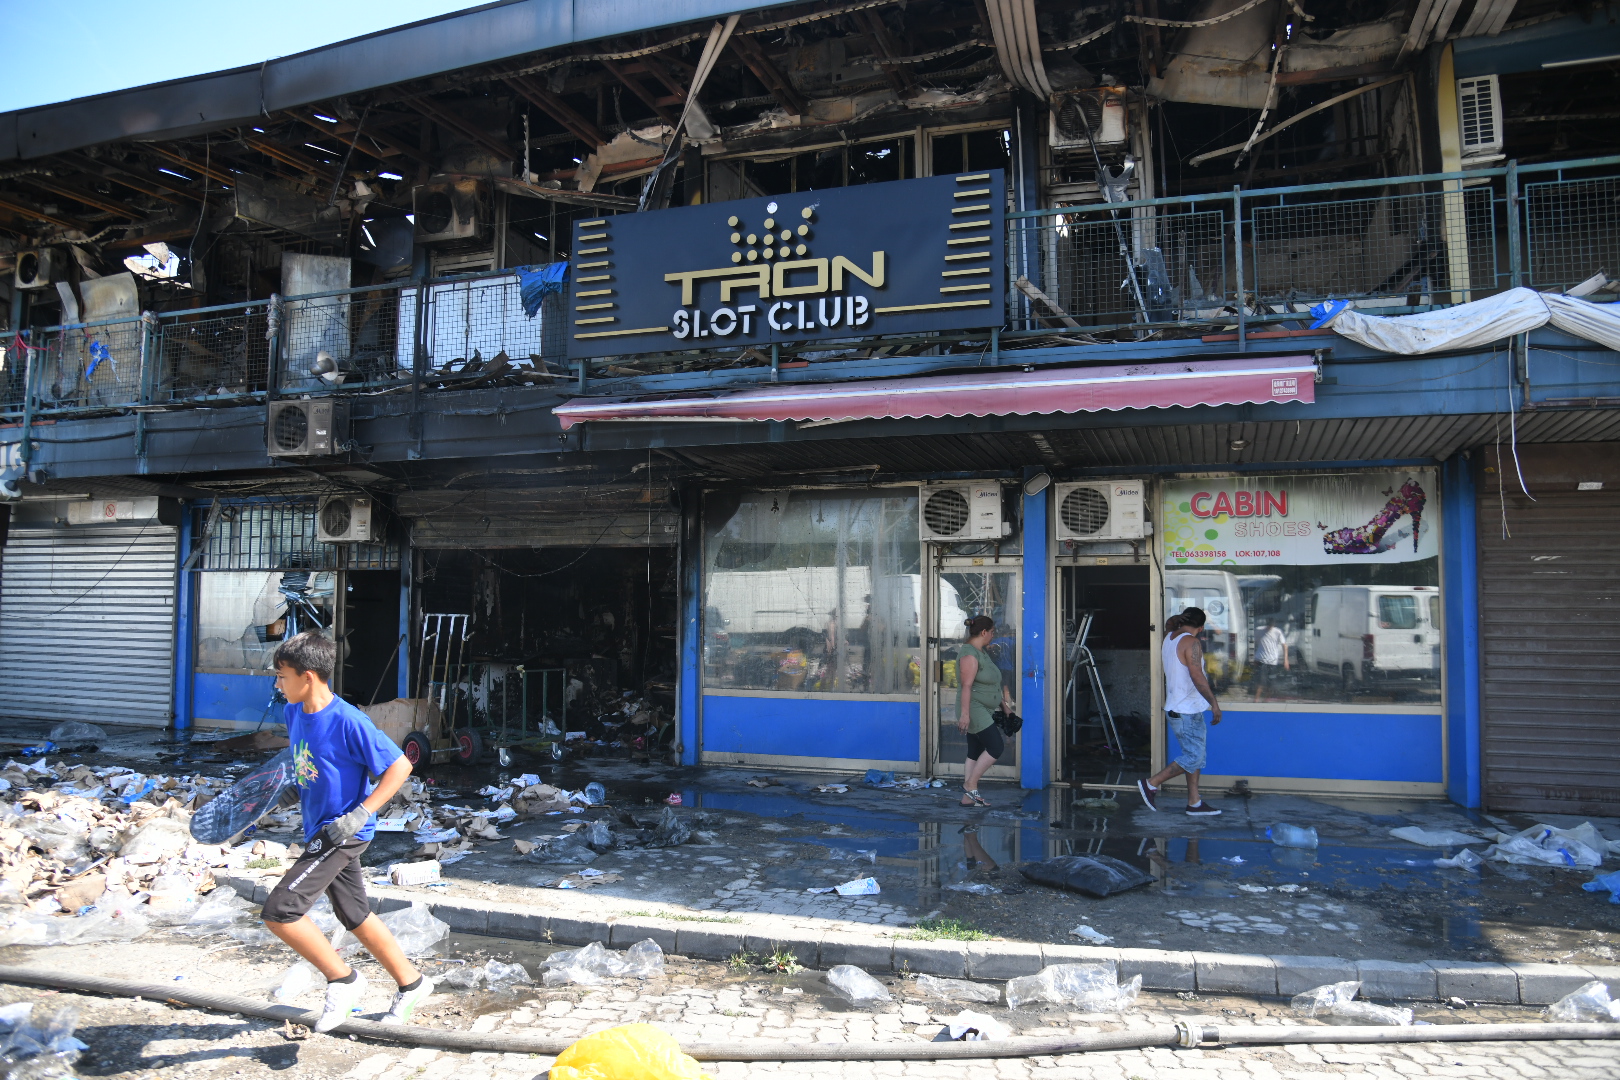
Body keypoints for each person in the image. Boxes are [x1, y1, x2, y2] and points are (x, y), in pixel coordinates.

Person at [261, 631, 435, 1031]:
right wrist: (294, 787)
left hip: (341, 832)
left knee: (281, 911)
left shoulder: (348, 720)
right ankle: (413, 984)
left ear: (308, 677)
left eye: (281, 675)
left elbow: (399, 767)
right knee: (355, 913)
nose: (277, 683)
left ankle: (344, 980)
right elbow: (311, 761)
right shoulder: (293, 712)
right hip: (319, 827)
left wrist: (362, 813)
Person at [1138, 608, 1222, 816]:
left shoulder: (1170, 637)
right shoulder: (1191, 643)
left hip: (1180, 707)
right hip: (1187, 710)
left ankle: (1194, 802)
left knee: (1192, 755)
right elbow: (1197, 675)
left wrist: (1172, 621)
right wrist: (1214, 703)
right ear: (1201, 628)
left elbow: (1169, 625)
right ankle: (1151, 784)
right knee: (1194, 757)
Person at [957, 615, 1014, 808]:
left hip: (985, 707)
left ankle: (968, 797)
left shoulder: (981, 652)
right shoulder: (969, 654)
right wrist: (965, 715)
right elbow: (966, 686)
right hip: (974, 708)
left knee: (975, 750)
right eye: (992, 632)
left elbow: (992, 685)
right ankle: (970, 784)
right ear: (983, 632)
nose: (993, 636)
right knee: (995, 747)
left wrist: (1005, 708)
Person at [1252, 616, 1289, 701]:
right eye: (1268, 625)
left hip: (1272, 660)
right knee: (1260, 681)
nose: (1269, 627)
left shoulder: (1277, 632)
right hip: (1261, 659)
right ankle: (1256, 699)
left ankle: (1266, 699)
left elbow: (1284, 645)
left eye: (1271, 626)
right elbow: (1254, 642)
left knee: (1271, 683)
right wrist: (1254, 657)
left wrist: (1286, 660)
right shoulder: (1259, 630)